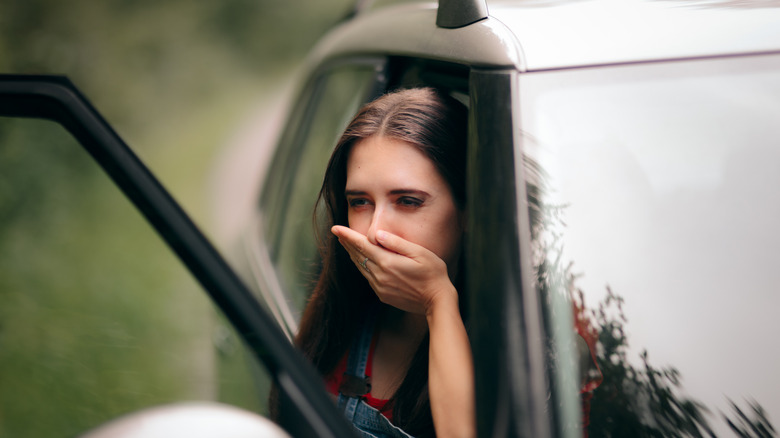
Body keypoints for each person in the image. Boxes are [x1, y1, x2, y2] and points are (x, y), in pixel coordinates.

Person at [284, 87, 474, 438]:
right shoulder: (337, 324)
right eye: (360, 202)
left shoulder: (526, 350)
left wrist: (438, 302)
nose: (375, 231)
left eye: (407, 200)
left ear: (467, 211)